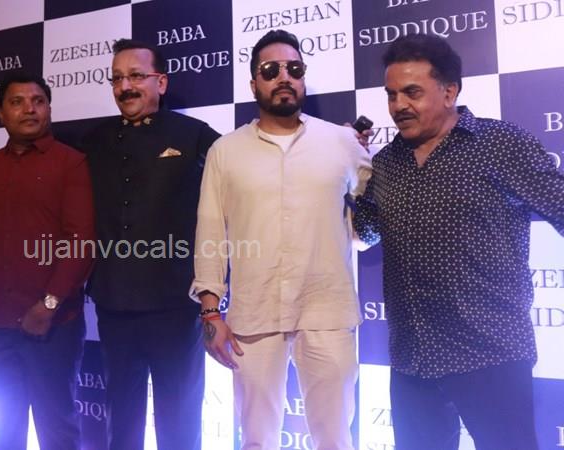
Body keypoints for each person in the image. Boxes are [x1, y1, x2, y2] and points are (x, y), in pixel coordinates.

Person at [353, 33, 564, 450]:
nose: (398, 105)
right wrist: (345, 164)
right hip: (412, 360)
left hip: (490, 355)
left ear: (450, 91)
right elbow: (366, 233)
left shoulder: (499, 144)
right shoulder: (386, 163)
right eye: (391, 94)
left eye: (412, 92)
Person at [192, 30, 370, 450]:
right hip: (253, 314)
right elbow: (210, 233)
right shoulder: (225, 151)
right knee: (256, 438)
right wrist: (211, 311)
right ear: (254, 83)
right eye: (271, 70)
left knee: (335, 438)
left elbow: (369, 219)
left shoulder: (341, 142)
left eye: (294, 68)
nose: (284, 77)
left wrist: (351, 232)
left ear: (303, 78)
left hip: (327, 309)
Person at [80, 38, 220, 450]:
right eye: (117, 78)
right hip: (114, 305)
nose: (125, 86)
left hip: (175, 305)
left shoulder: (193, 135)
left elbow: (245, 170)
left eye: (136, 76)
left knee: (180, 418)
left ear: (161, 82)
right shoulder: (94, 140)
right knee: (121, 419)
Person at [0, 72, 95, 450]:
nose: (29, 109)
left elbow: (80, 241)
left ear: (49, 109)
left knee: (58, 429)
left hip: (54, 325)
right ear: (1, 114)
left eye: (38, 101)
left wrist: (49, 305)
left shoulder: (71, 163)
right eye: (17, 102)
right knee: (3, 429)